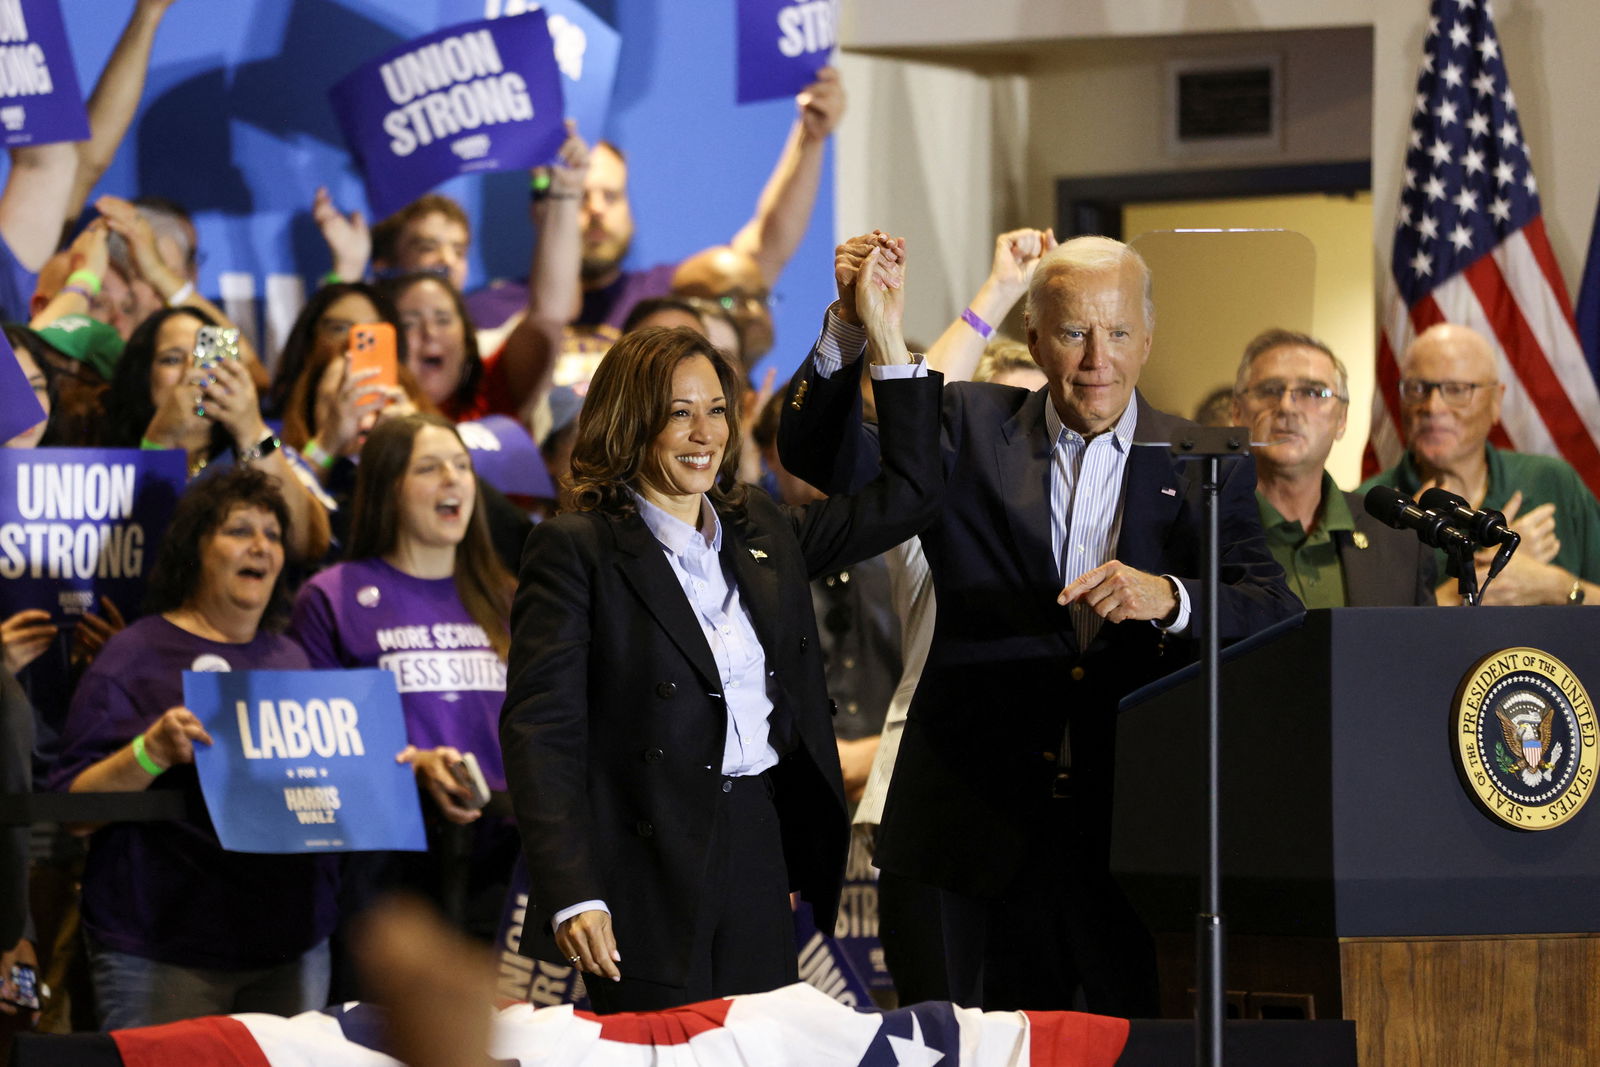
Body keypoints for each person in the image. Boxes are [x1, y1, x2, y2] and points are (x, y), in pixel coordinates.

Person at [778, 233, 1298, 1015]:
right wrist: (851, 330)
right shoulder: (965, 426)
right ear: (1032, 335)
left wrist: (1172, 596)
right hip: (963, 837)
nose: (1098, 358)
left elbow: (1274, 606)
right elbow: (828, 457)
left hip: (1127, 846)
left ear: (1149, 338)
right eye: (1074, 331)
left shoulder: (1204, 461)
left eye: (1119, 332)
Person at [499, 239, 940, 1013]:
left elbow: (910, 494)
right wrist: (573, 892)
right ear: (631, 422)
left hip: (757, 842)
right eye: (678, 413)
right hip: (644, 866)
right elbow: (543, 734)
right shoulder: (576, 549)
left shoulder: (761, 526)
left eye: (715, 410)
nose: (705, 434)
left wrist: (871, 332)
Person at [47, 468, 339, 1028]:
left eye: (274, 536)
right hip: (162, 955)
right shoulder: (134, 656)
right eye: (239, 530)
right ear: (195, 547)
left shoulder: (293, 660)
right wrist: (150, 752)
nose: (261, 546)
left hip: (292, 949)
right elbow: (72, 813)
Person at [467, 69, 847, 380]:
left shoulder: (668, 297)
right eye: (580, 196)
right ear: (542, 210)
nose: (597, 210)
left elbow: (763, 250)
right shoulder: (491, 311)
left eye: (611, 196)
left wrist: (810, 138)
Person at [289, 414, 517, 933]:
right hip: (384, 869)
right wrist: (410, 767)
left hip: (501, 863)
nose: (453, 479)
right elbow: (313, 747)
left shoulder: (510, 599)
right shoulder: (332, 596)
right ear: (389, 488)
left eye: (461, 466)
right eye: (430, 468)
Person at [1358, 322, 1600, 605]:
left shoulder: (1552, 481)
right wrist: (1466, 589)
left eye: (1457, 389)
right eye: (1417, 388)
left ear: (1496, 401)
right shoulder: (1370, 505)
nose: (1433, 407)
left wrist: (1555, 586)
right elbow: (1367, 639)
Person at [101, 305, 331, 563]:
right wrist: (158, 439)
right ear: (143, 376)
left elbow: (306, 542)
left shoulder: (266, 450)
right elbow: (133, 550)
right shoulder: (103, 458)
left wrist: (250, 430)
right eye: (172, 359)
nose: (192, 371)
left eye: (205, 357)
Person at [1231, 329, 1435, 606]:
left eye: (1313, 392)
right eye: (1269, 390)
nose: (1287, 406)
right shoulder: (1196, 528)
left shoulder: (1402, 540)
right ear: (1237, 412)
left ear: (1342, 419)